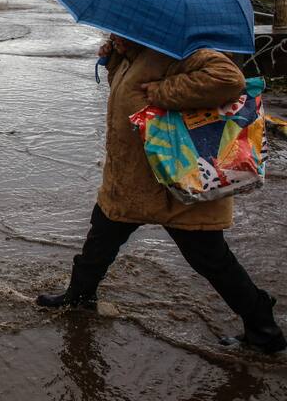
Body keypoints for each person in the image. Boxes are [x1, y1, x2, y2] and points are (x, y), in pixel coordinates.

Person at [37, 34, 287, 354]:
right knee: (99, 241)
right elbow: (128, 98)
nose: (112, 35)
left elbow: (227, 80)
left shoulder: (182, 48)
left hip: (180, 181)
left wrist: (161, 91)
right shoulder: (137, 52)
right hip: (133, 179)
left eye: (117, 32)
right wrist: (116, 60)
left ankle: (262, 326)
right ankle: (80, 296)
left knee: (211, 260)